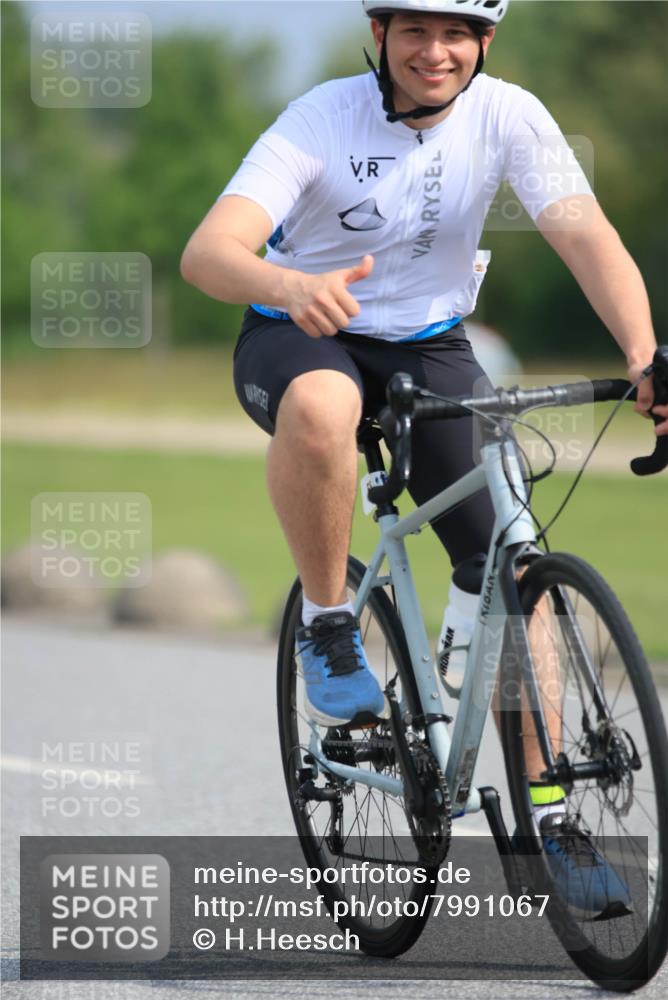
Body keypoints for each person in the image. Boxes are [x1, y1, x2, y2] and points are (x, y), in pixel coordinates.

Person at [182, 0, 665, 911]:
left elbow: (584, 234)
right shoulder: (323, 117)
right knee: (326, 404)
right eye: (414, 31)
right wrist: (289, 282)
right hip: (302, 330)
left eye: (456, 34)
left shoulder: (510, 115)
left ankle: (551, 819)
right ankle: (330, 624)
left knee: (512, 556)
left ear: (485, 43)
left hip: (431, 344)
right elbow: (208, 254)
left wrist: (644, 355)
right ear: (380, 36)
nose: (433, 52)